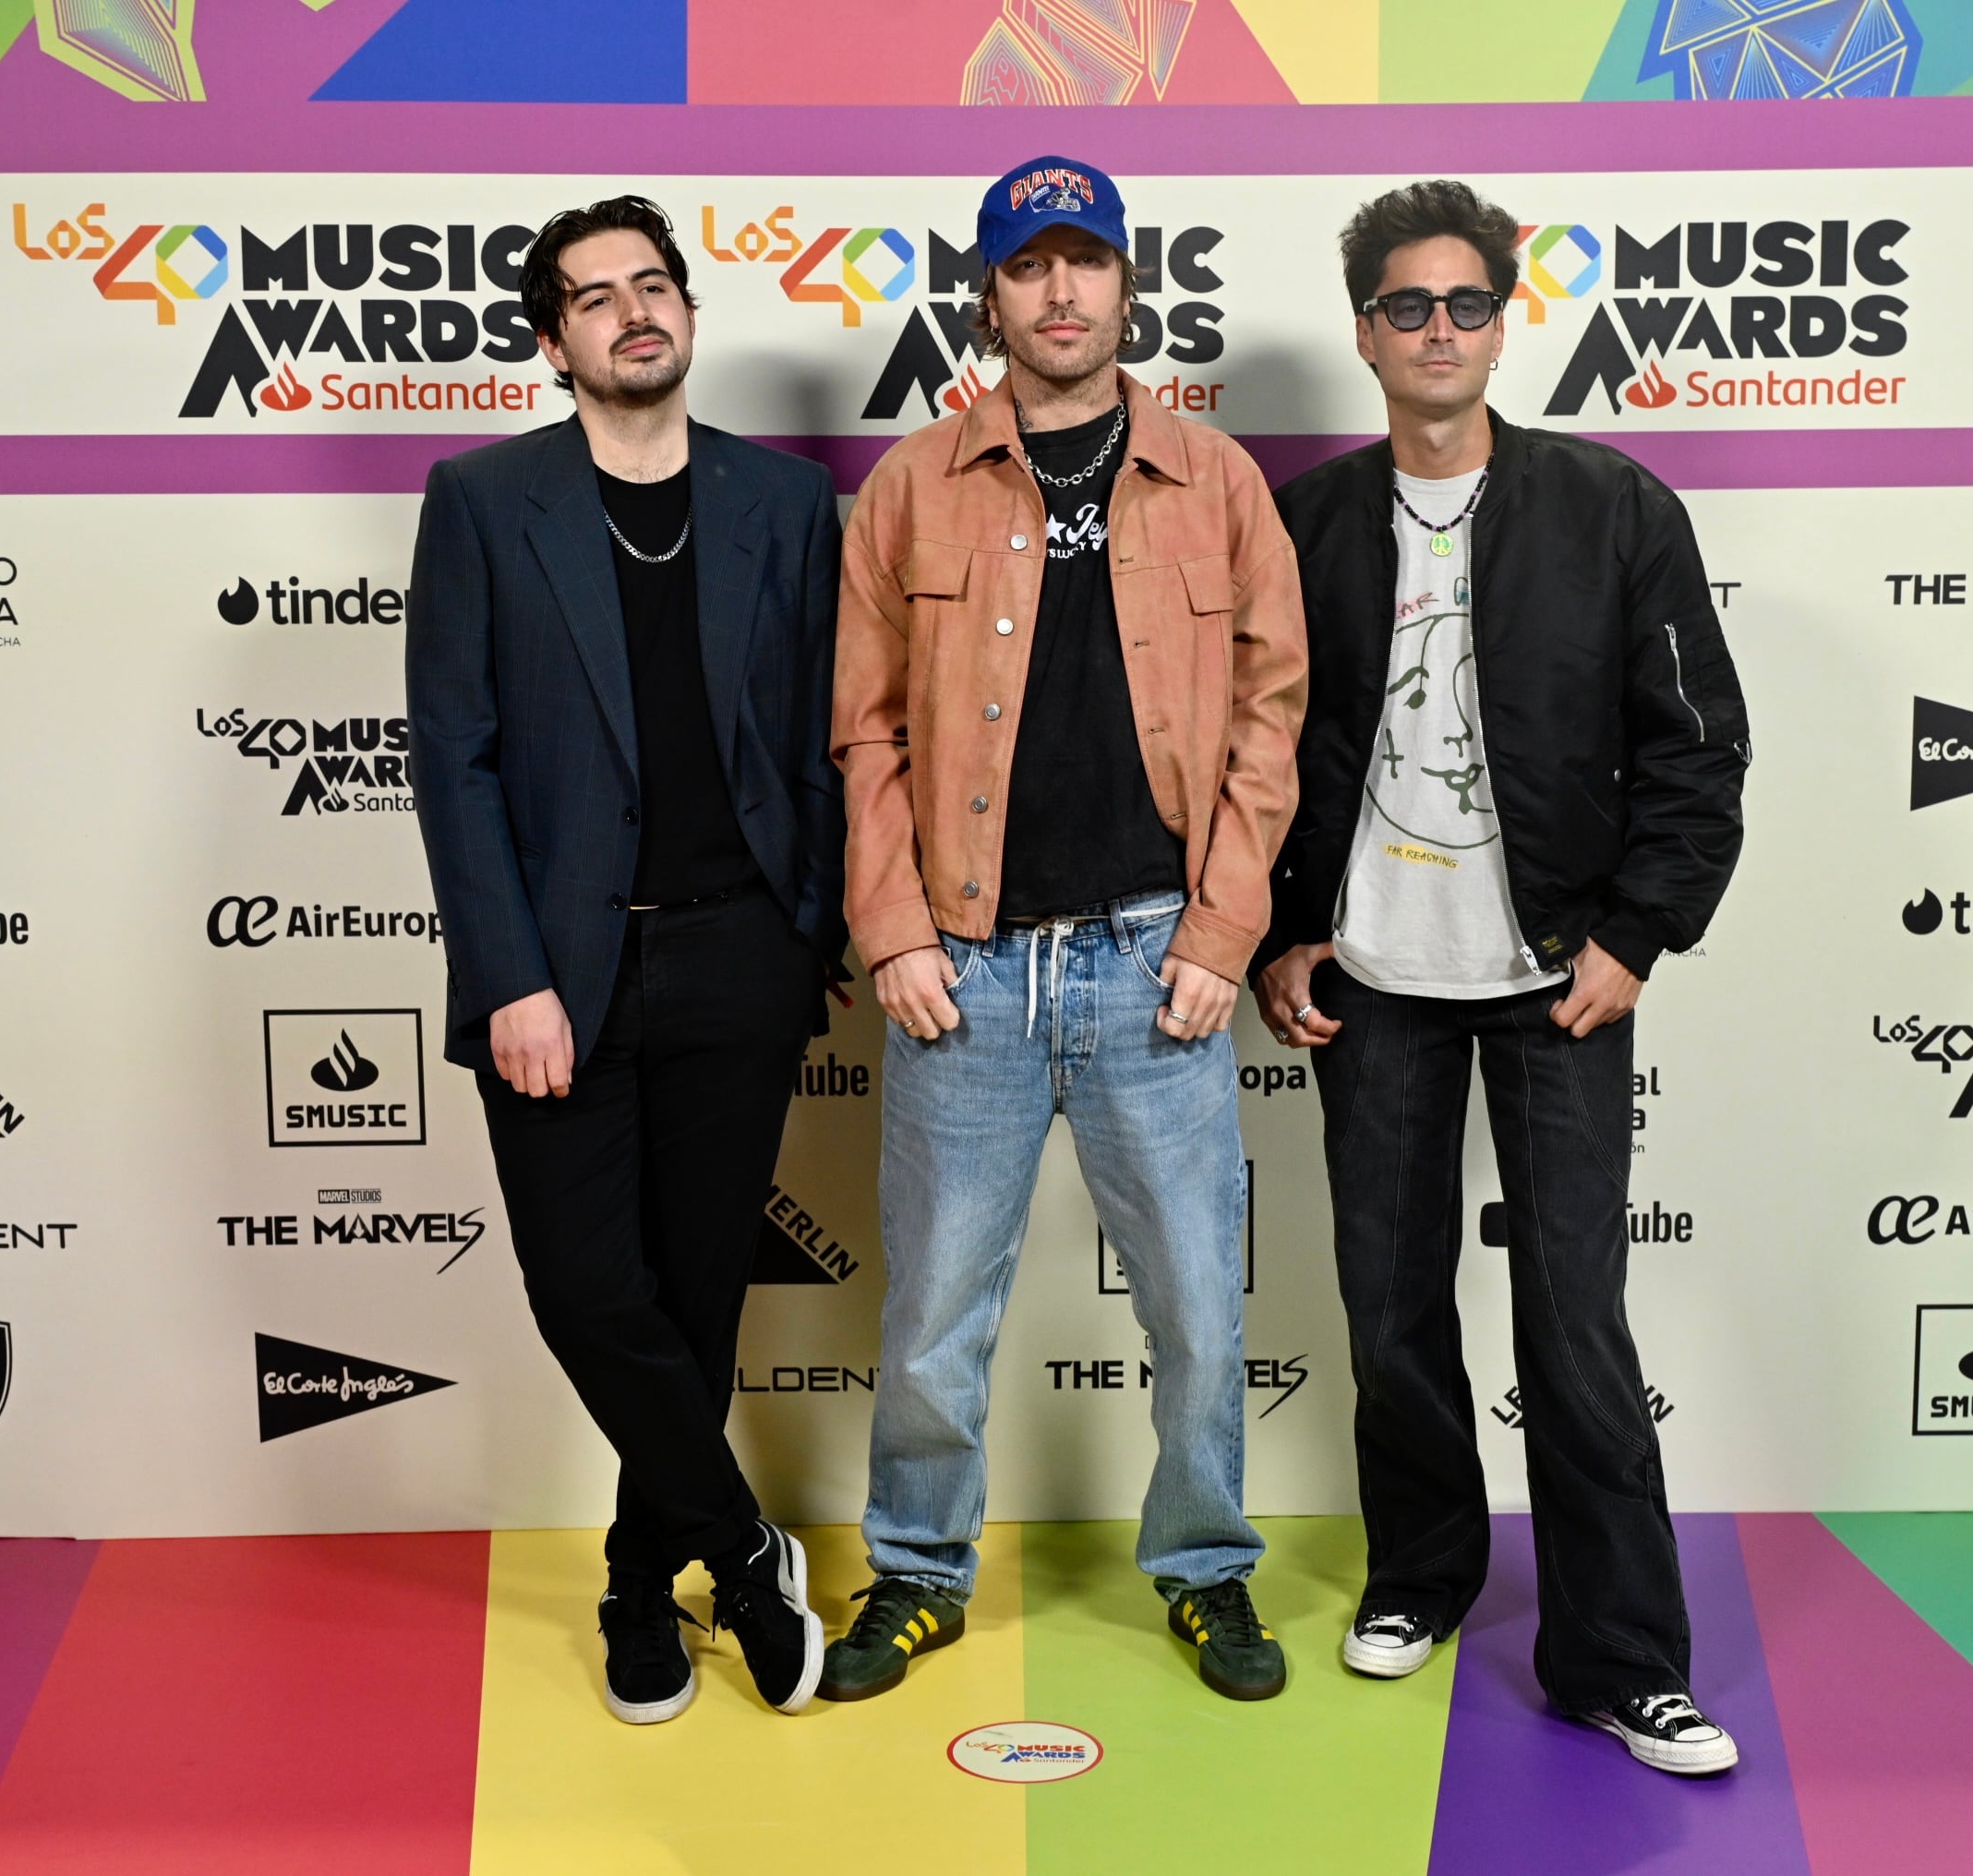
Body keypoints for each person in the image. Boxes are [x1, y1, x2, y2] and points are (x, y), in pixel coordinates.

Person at [1252, 180, 1750, 1775]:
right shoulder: (1309, 522)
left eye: (1468, 304)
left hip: (1557, 980)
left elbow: (1700, 750)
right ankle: (1422, 1576)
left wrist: (1633, 937)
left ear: (1502, 320)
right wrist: (1279, 927)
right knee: (1391, 1310)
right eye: (1409, 306)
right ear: (1365, 331)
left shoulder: (1613, 507)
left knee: (1574, 1323)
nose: (1441, 331)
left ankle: (1620, 1656)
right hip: (1377, 982)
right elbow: (1259, 751)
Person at [821, 155, 1307, 1704]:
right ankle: (915, 1573)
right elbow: (867, 730)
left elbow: (1270, 721)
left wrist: (1221, 938)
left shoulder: (1217, 483)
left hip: (1153, 962)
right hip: (964, 968)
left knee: (1197, 1311)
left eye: (1085, 261)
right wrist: (893, 927)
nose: (1061, 292)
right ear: (991, 294)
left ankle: (1208, 1571)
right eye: (1029, 267)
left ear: (1125, 282)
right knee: (934, 1316)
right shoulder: (913, 483)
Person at [405, 195, 843, 1725]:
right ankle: (739, 1546)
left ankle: (638, 1585)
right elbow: (450, 757)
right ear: (555, 343)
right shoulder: (481, 499)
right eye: (595, 298)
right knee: (592, 1292)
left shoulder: (784, 505)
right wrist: (507, 975)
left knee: (697, 1303)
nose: (631, 312)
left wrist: (817, 934)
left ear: (687, 312)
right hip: (562, 982)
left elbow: (818, 739)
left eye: (653, 286)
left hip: (743, 958)